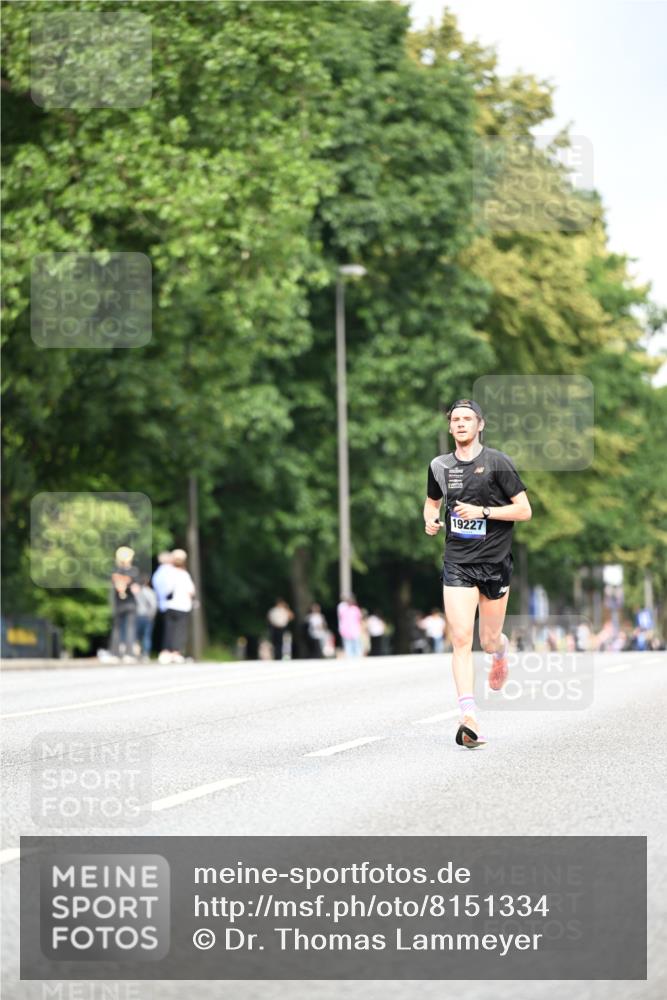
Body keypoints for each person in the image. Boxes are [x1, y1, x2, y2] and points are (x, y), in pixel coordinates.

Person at [424, 398, 531, 748]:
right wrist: (430, 519)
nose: (460, 424)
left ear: (480, 425)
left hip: (495, 563)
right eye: (455, 419)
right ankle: (468, 717)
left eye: (467, 419)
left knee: (488, 640)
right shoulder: (439, 466)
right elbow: (432, 502)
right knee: (459, 638)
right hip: (457, 561)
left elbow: (524, 511)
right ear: (450, 426)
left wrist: (483, 512)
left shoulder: (498, 463)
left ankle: (500, 652)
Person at [160, 549, 195, 664]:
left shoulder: (168, 573)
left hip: (171, 605)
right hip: (182, 605)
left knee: (169, 629)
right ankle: (175, 652)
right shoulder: (184, 574)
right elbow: (191, 591)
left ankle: (166, 652)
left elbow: (165, 589)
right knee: (180, 630)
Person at [110, 546, 140, 662]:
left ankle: (115, 654)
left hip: (118, 603)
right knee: (130, 628)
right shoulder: (133, 571)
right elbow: (136, 590)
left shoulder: (114, 572)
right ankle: (129, 654)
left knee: (116, 629)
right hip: (130, 603)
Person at [151, 551, 175, 655]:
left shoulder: (157, 573)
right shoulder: (170, 571)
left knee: (166, 628)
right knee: (173, 629)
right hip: (172, 602)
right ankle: (169, 650)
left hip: (161, 603)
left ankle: (165, 650)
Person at [134, 575, 158, 661]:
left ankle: (137, 654)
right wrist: (152, 616)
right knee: (146, 636)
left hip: (137, 615)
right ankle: (145, 654)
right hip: (146, 616)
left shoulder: (136, 591)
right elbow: (153, 605)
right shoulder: (150, 592)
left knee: (136, 637)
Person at [337, 593, 363, 657]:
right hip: (346, 630)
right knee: (348, 646)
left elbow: (359, 620)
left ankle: (358, 659)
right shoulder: (342, 608)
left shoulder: (356, 609)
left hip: (355, 630)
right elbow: (341, 619)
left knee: (356, 645)